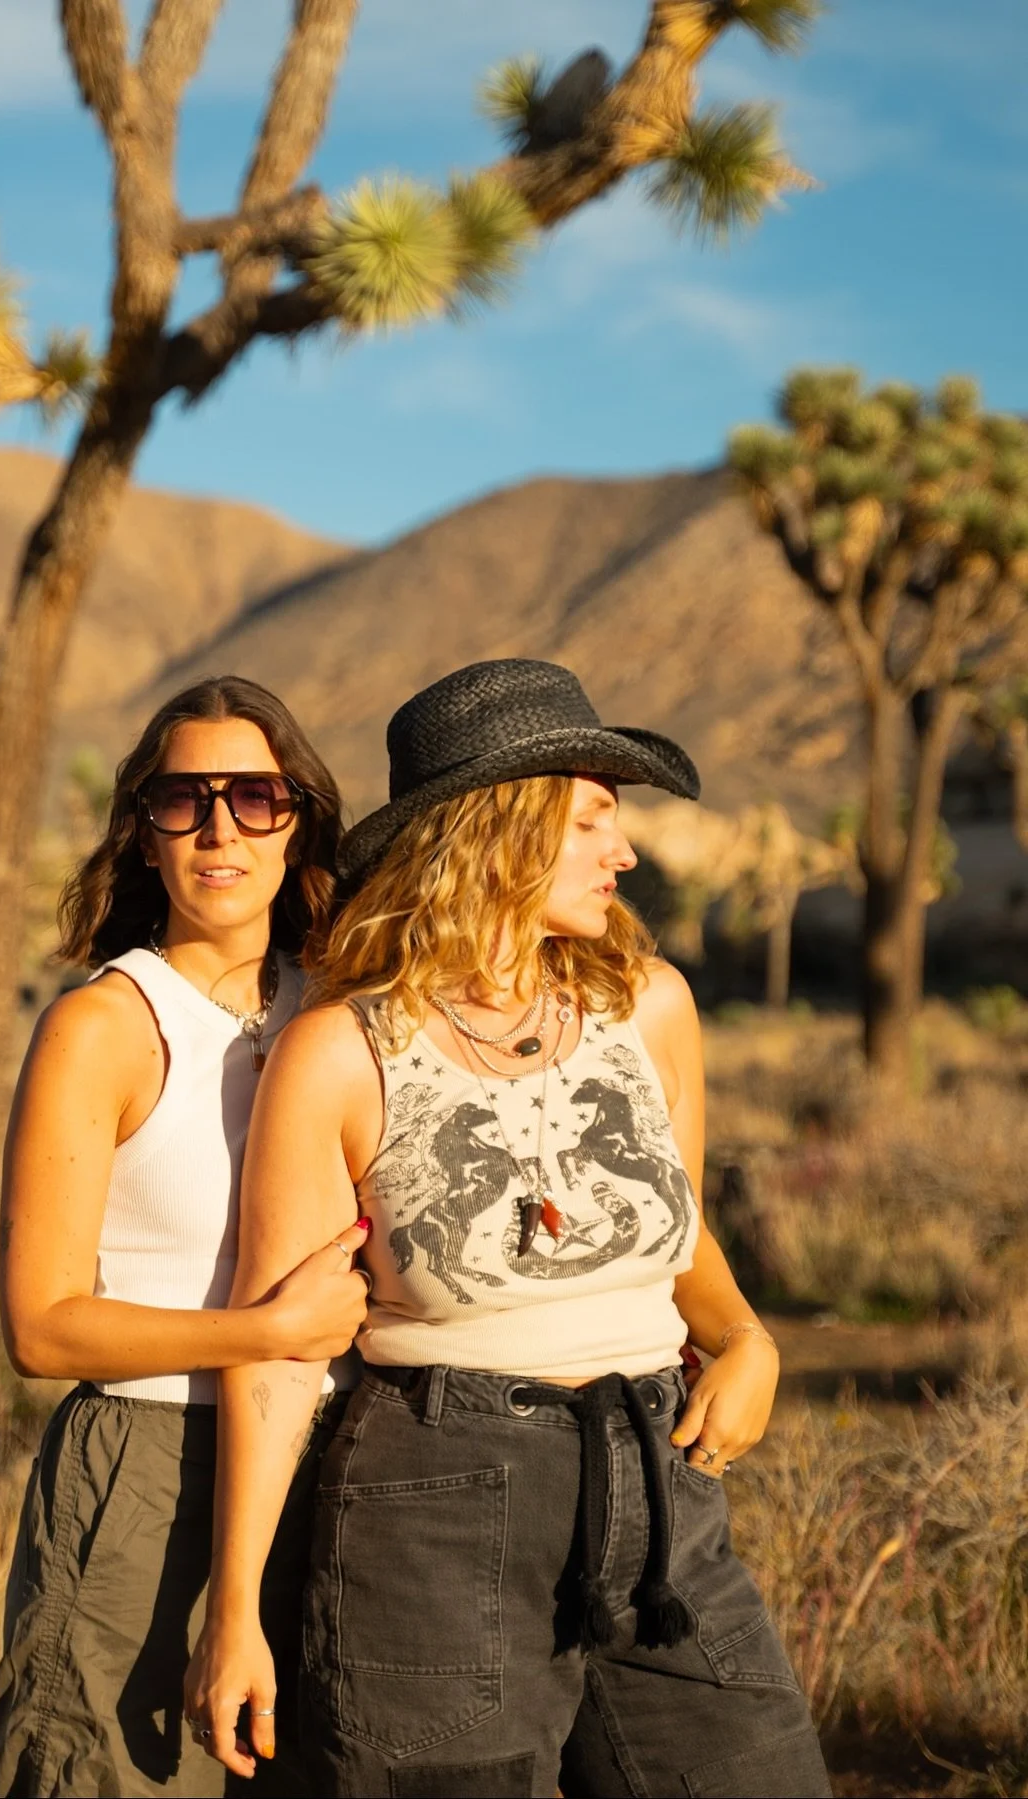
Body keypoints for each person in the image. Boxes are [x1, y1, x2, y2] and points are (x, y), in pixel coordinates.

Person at [186, 660, 832, 1798]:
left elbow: (673, 1234)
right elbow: (278, 1353)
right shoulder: (341, 1051)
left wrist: (747, 1337)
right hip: (435, 1500)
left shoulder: (653, 1006)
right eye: (592, 819)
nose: (623, 852)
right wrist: (234, 1611)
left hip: (657, 1480)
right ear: (500, 829)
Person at [0, 676, 370, 1799]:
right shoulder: (105, 1024)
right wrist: (263, 1328)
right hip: (145, 1474)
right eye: (181, 799)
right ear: (140, 834)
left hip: (335, 1466)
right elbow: (39, 1327)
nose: (218, 828)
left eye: (253, 795)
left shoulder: (343, 1010)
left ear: (297, 817)